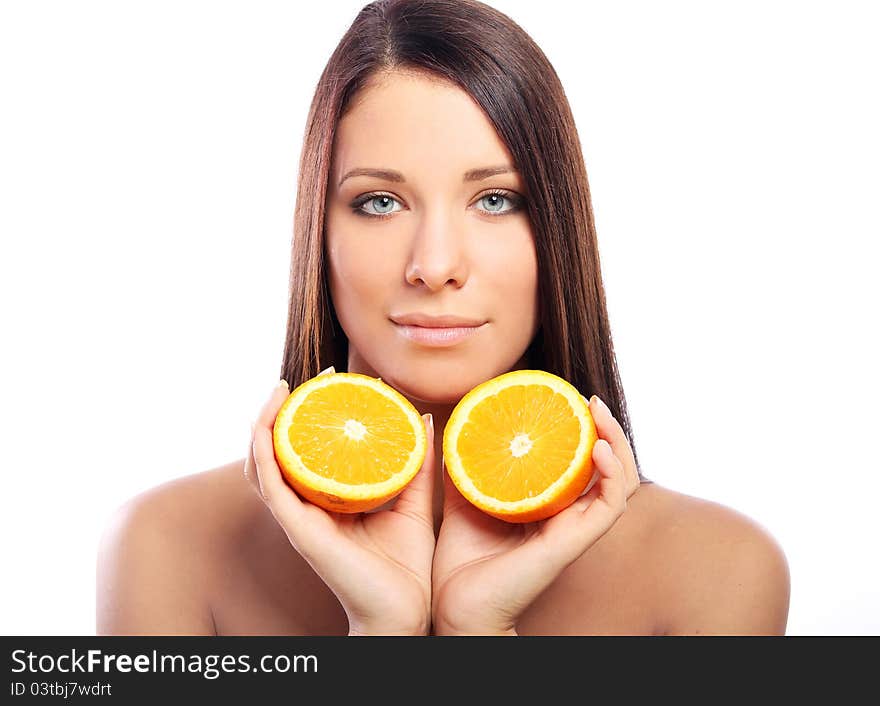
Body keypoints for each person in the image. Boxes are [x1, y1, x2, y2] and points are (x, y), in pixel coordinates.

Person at [96, 0, 790, 636]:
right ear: (319, 236)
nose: (434, 264)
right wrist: (381, 636)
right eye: (378, 202)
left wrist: (474, 635)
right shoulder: (165, 546)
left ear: (558, 231)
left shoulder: (719, 571)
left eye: (495, 200)